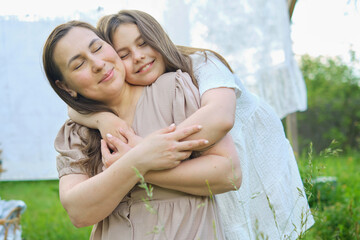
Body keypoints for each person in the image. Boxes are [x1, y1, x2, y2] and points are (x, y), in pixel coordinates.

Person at [69, 10, 315, 240]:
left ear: (158, 37)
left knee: (267, 225)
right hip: (213, 165)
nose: (138, 56)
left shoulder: (201, 62)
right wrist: (101, 118)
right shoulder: (147, 88)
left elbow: (219, 118)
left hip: (256, 153)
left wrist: (140, 157)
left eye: (143, 43)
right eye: (124, 54)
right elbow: (73, 106)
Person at [43, 20, 241, 240]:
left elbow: (228, 174)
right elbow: (79, 212)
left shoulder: (173, 90)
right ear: (66, 87)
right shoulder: (78, 132)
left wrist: (139, 166)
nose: (97, 64)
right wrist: (138, 160)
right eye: (78, 65)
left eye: (97, 48)